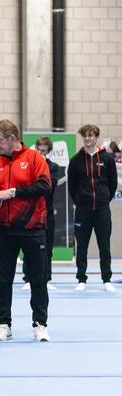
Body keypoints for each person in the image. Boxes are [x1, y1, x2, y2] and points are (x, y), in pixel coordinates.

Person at [0, 119, 51, 342]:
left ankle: (40, 323)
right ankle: (4, 323)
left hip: (33, 228)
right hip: (4, 229)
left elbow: (44, 186)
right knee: (3, 279)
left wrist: (12, 192)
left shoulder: (35, 158)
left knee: (37, 279)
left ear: (11, 139)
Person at [68, 124, 118, 292]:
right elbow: (72, 187)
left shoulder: (108, 159)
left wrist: (104, 200)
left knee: (105, 245)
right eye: (85, 136)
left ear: (96, 137)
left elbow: (112, 184)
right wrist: (81, 202)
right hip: (83, 210)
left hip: (102, 210)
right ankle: (81, 279)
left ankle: (106, 279)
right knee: (81, 246)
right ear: (82, 138)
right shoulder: (75, 161)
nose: (88, 139)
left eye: (91, 136)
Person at [22, 137, 61, 291]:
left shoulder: (54, 167)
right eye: (39, 150)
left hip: (47, 213)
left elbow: (48, 187)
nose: (41, 152)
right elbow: (27, 187)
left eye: (44, 151)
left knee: (47, 247)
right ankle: (28, 278)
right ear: (35, 149)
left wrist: (42, 166)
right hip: (31, 213)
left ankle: (46, 278)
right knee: (29, 246)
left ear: (48, 152)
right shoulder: (28, 167)